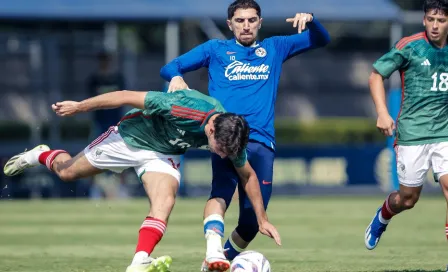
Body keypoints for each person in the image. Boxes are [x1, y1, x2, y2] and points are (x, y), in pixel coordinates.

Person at [3, 89, 281, 272]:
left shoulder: (232, 135)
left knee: (166, 201)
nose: (220, 154)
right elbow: (125, 95)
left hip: (163, 153)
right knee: (66, 172)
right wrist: (80, 107)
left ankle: (139, 260)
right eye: (218, 147)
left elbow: (248, 175)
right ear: (209, 127)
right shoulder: (184, 108)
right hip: (130, 137)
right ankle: (40, 155)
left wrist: (262, 218)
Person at [160, 0, 330, 270]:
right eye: (240, 21)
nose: (246, 25)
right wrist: (176, 78)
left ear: (260, 22)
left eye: (251, 20)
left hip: (262, 142)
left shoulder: (275, 47)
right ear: (230, 25)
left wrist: (311, 20)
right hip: (226, 139)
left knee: (251, 223)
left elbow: (321, 39)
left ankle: (218, 261)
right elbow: (170, 67)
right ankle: (214, 252)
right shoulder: (215, 49)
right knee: (221, 194)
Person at [365, 0, 448, 250]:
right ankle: (383, 217)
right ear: (424, 20)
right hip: (413, 133)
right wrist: (382, 112)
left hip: (445, 132)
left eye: (441, 20)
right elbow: (376, 75)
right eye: (431, 20)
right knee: (408, 199)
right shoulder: (410, 47)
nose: (435, 25)